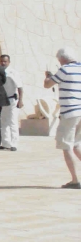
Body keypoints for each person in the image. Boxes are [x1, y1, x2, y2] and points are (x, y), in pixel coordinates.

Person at [44, 47, 81, 189]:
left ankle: (75, 180)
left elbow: (48, 84)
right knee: (77, 144)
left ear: (62, 59)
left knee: (66, 145)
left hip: (70, 111)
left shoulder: (65, 69)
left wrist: (47, 77)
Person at [0, 54, 24, 151]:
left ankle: (14, 144)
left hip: (12, 100)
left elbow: (20, 87)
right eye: (1, 61)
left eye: (5, 61)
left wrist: (21, 100)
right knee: (4, 122)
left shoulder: (13, 72)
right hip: (2, 100)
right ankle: (5, 143)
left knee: (13, 121)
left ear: (9, 62)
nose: (3, 63)